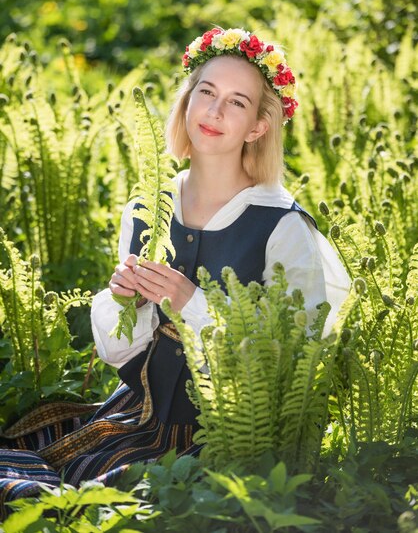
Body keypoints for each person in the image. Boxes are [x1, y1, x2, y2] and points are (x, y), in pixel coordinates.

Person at [0, 27, 350, 517]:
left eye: (236, 102)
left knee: (104, 504)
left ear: (258, 127)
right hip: (138, 411)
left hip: (229, 435)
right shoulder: (147, 208)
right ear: (187, 102)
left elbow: (294, 362)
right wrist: (125, 302)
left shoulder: (282, 224)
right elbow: (120, 354)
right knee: (22, 476)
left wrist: (192, 302)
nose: (214, 111)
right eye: (206, 92)